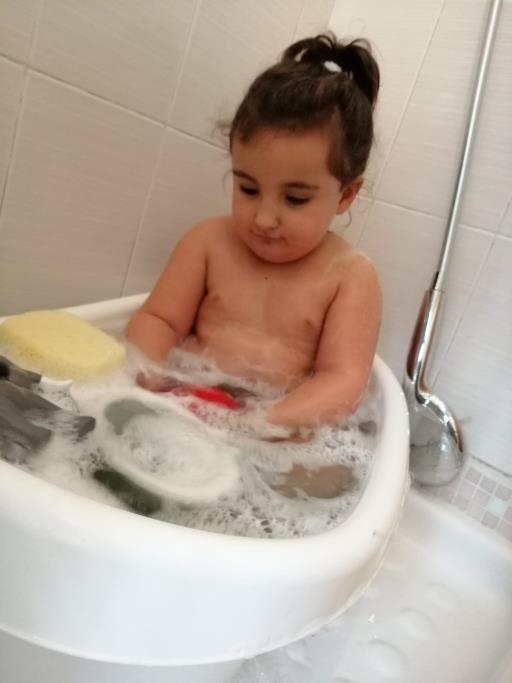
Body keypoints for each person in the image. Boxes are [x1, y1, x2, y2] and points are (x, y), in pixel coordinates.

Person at [126, 32, 381, 439]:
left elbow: (342, 382)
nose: (264, 219)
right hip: (181, 407)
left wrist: (262, 422)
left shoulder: (349, 276)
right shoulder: (207, 242)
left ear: (346, 195)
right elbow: (158, 319)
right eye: (247, 188)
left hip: (274, 433)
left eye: (295, 199)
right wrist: (152, 376)